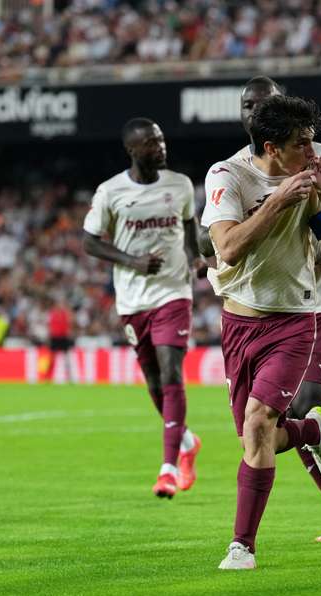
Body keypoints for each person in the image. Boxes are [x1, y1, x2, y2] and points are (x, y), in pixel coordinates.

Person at [202, 76, 321, 543]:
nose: (254, 110)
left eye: (265, 104)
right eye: (248, 105)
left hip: (311, 302)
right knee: (270, 429)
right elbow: (220, 243)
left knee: (296, 407)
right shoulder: (230, 172)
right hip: (245, 309)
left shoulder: (318, 159)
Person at [83, 118, 203, 499]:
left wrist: (198, 258)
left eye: (161, 139)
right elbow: (90, 242)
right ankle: (185, 441)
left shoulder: (180, 185)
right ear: (133, 150)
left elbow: (188, 229)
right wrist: (130, 261)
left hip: (173, 291)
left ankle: (167, 468)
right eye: (151, 143)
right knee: (153, 380)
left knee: (171, 370)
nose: (160, 147)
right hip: (132, 298)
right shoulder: (111, 192)